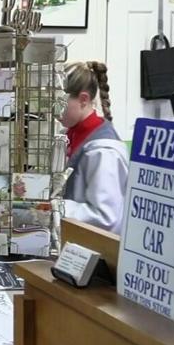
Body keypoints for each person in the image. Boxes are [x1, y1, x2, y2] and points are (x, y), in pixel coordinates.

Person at [60, 61, 129, 234]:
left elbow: (105, 217)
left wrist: (51, 208)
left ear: (83, 99)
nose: (53, 110)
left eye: (59, 103)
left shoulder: (104, 152)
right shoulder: (70, 134)